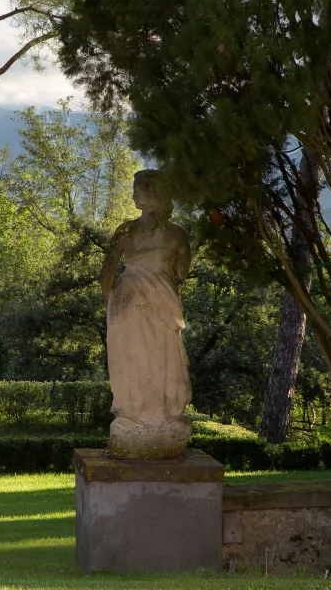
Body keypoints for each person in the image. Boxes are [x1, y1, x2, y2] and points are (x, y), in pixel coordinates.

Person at [99, 170, 192, 459]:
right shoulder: (166, 233)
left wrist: (112, 297)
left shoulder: (150, 232)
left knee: (148, 360)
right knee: (147, 360)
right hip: (145, 303)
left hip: (145, 303)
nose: (133, 194)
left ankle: (148, 418)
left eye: (137, 188)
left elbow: (106, 274)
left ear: (152, 193)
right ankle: (145, 417)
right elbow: (182, 272)